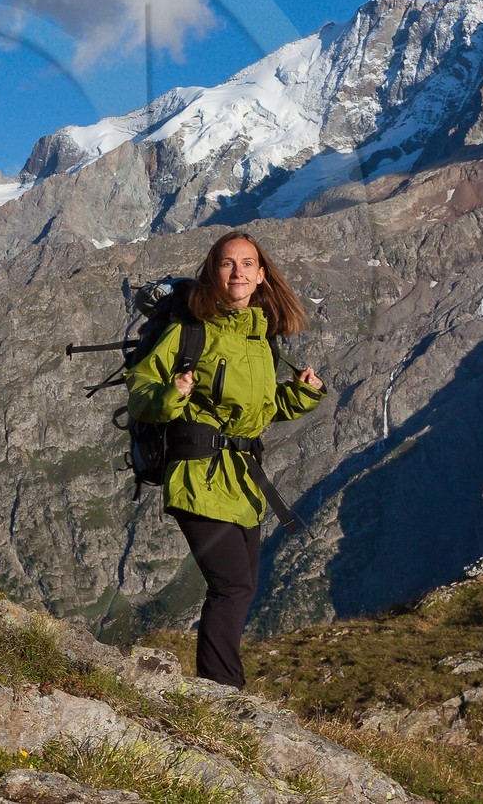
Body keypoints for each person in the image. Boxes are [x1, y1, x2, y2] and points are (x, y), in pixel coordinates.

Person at [125, 230, 325, 688]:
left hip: (243, 482)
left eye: (247, 264)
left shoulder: (261, 338)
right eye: (227, 263)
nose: (238, 272)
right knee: (231, 587)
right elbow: (140, 394)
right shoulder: (188, 332)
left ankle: (219, 692)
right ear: (212, 273)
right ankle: (222, 695)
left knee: (242, 588)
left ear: (260, 276)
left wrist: (303, 395)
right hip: (197, 476)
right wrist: (171, 395)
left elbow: (259, 412)